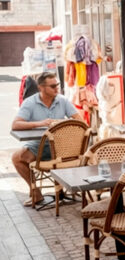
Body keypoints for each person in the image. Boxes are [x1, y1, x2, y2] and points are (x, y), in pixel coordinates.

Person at [11, 72, 83, 206]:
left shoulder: (62, 100)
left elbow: (80, 121)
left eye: (58, 85)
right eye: (53, 86)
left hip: (63, 147)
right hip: (40, 145)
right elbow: (15, 125)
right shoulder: (30, 102)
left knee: (17, 157)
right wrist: (40, 123)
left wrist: (61, 124)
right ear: (41, 88)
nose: (57, 88)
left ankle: (61, 187)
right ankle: (36, 193)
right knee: (17, 158)